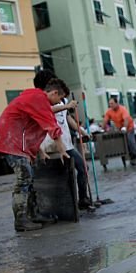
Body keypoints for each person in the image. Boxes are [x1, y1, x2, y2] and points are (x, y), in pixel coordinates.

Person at [0, 79, 69, 232]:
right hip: (12, 141)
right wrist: (63, 151)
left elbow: (30, 127)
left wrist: (39, 151)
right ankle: (21, 220)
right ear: (54, 93)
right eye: (60, 99)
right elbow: (52, 126)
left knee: (28, 178)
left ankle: (33, 214)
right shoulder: (39, 99)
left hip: (15, 141)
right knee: (24, 179)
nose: (59, 103)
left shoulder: (34, 98)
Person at [40, 79, 96, 209]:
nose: (60, 101)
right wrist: (66, 106)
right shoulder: (43, 102)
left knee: (83, 168)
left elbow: (68, 119)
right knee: (58, 176)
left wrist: (82, 131)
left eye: (63, 98)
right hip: (49, 146)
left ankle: (83, 198)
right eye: (60, 98)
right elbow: (48, 111)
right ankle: (61, 204)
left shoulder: (63, 102)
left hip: (66, 144)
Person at [103, 96, 136, 164]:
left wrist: (124, 127)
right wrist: (103, 128)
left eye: (112, 103)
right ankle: (126, 157)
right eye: (109, 104)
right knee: (121, 143)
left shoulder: (122, 109)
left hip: (129, 127)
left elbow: (126, 119)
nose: (110, 105)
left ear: (117, 103)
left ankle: (135, 157)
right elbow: (105, 120)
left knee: (130, 141)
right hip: (119, 129)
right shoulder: (109, 111)